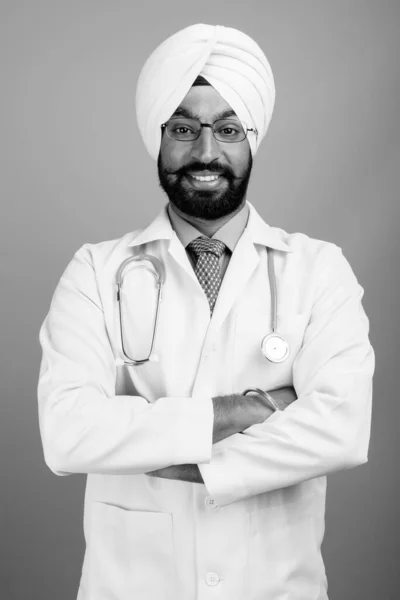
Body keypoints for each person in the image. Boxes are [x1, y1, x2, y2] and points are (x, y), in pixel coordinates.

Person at [37, 23, 374, 600]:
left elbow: (342, 430)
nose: (206, 152)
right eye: (184, 129)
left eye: (227, 129)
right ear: (159, 137)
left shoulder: (319, 270)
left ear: (251, 138)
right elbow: (68, 433)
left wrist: (168, 452)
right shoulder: (95, 271)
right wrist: (250, 407)